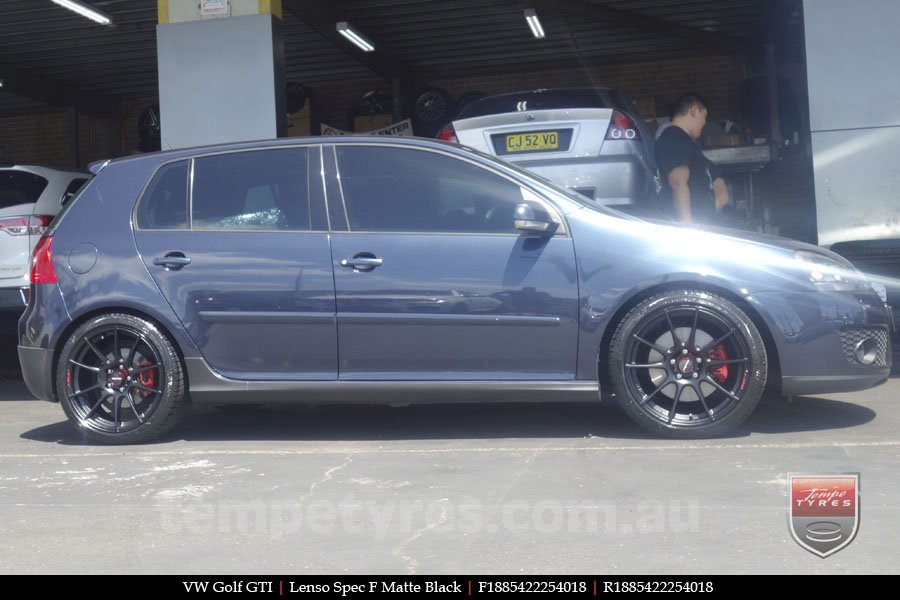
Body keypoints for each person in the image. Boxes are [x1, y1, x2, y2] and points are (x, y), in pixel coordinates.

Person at [654, 93, 730, 224]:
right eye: (704, 116)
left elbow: (723, 195)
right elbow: (679, 183)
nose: (704, 123)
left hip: (702, 227)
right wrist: (687, 227)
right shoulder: (672, 138)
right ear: (694, 111)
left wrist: (706, 219)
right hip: (688, 230)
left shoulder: (689, 146)